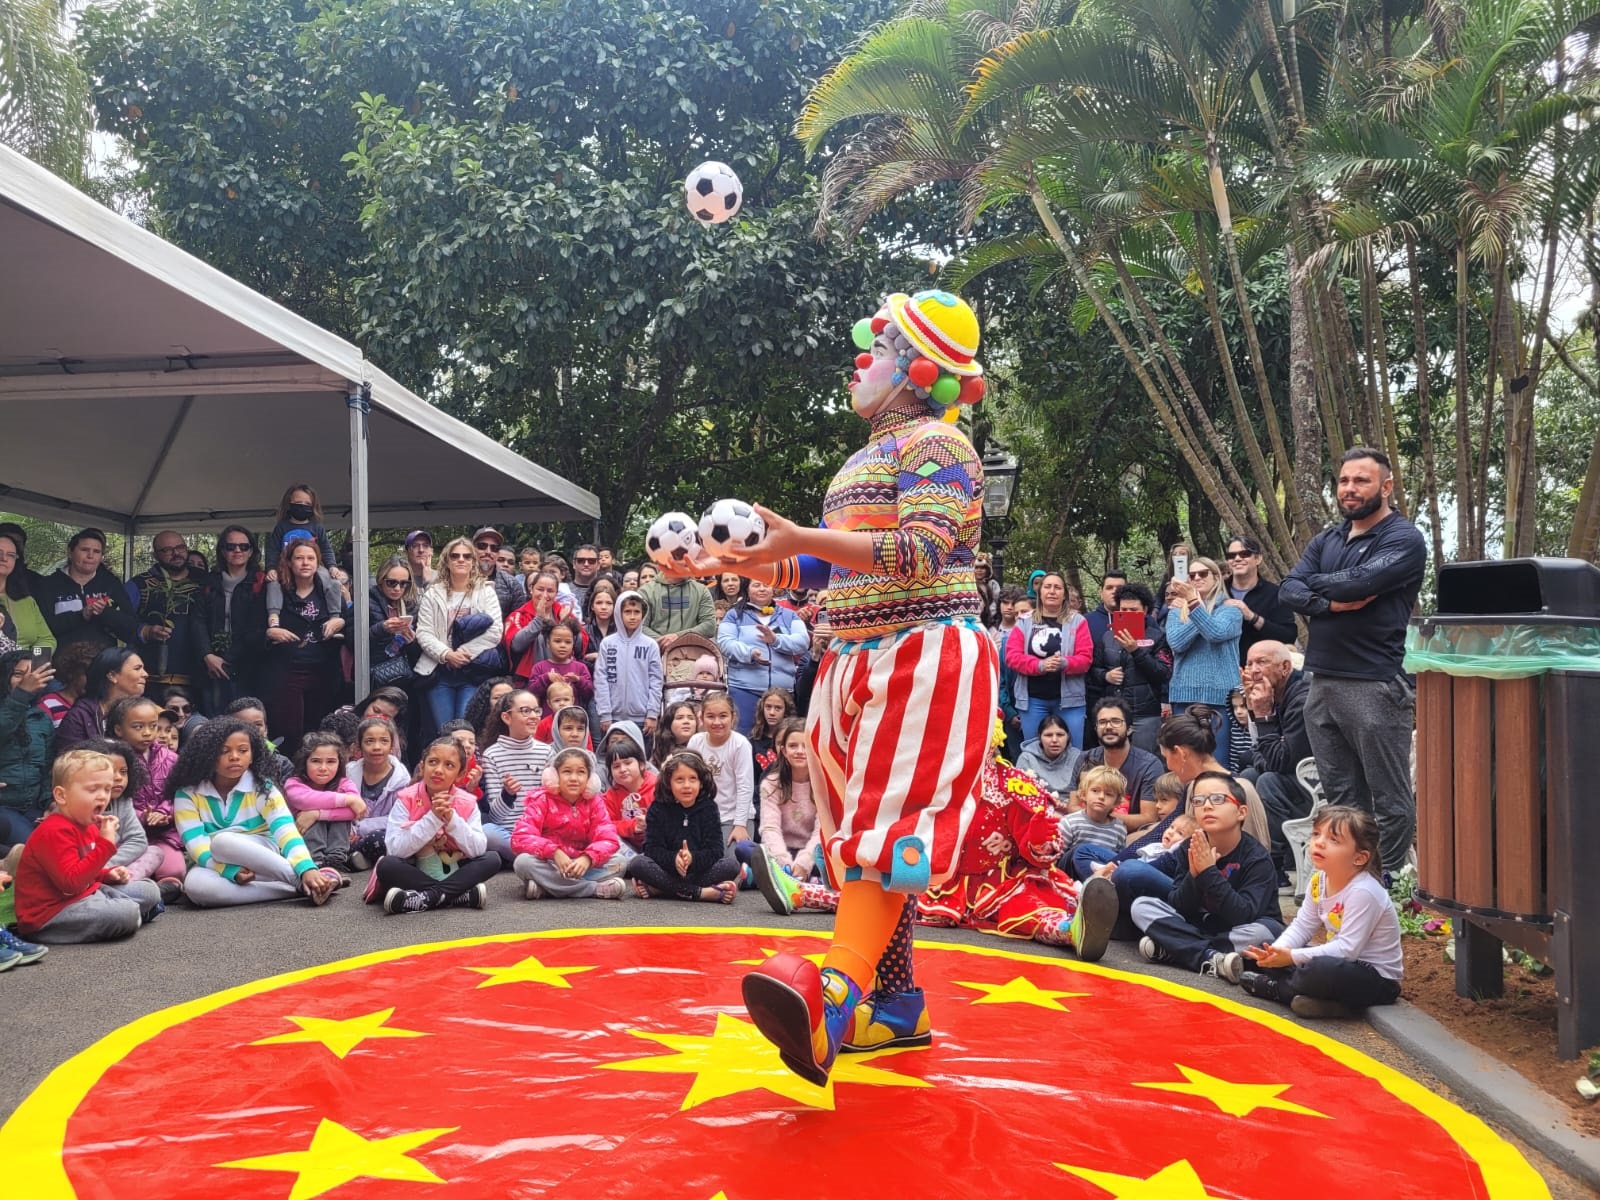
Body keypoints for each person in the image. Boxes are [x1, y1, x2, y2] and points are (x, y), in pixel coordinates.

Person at [683, 289, 996, 1085]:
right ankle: (894, 1006)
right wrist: (729, 565)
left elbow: (921, 551)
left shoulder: (938, 445)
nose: (863, 359)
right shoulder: (864, 459)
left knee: (888, 835)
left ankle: (830, 1000)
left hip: (924, 653)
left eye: (880, 347)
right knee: (863, 835)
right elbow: (820, 566)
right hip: (853, 654)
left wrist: (793, 541)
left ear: (919, 369)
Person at [1280, 447, 1427, 875]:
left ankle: (1390, 889)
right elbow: (1289, 589)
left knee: (1390, 799)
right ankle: (1354, 888)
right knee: (1342, 799)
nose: (1349, 489)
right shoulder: (1328, 539)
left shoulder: (1402, 539)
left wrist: (1317, 587)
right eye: (1344, 480)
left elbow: (1362, 581)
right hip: (1321, 682)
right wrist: (1329, 604)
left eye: (1361, 481)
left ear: (1385, 486)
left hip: (1375, 684)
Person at [916, 733, 1118, 960]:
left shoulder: (1014, 786)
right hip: (942, 877)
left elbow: (1041, 855)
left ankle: (1074, 930)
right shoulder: (937, 778)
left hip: (1004, 880)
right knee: (894, 897)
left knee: (1027, 909)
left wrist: (1039, 838)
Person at [1239, 805, 1404, 1017]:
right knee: (1268, 949)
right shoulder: (1319, 880)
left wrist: (1292, 957)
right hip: (1340, 962)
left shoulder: (1364, 891)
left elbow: (1347, 950)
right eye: (1316, 834)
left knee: (1320, 970)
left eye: (1334, 840)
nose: (1319, 842)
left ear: (1359, 858)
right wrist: (1276, 952)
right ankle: (1327, 1005)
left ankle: (1279, 990)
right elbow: (1302, 925)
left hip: (1375, 979)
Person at [169, 718, 342, 907]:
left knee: (222, 841)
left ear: (252, 755)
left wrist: (306, 867)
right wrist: (228, 870)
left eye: (243, 750)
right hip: (221, 863)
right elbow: (196, 844)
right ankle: (300, 887)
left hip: (267, 861)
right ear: (207, 755)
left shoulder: (262, 788)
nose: (235, 756)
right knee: (195, 887)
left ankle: (302, 878)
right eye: (224, 751)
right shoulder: (187, 793)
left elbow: (286, 832)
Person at [1130, 771, 1285, 978]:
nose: (1207, 806)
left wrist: (1208, 873)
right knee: (1142, 906)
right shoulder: (1190, 846)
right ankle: (1211, 956)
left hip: (1238, 929)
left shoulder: (1257, 858)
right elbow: (1179, 904)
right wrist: (1194, 876)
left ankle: (1178, 949)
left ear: (1241, 812)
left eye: (1218, 799)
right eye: (1199, 800)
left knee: (1266, 933)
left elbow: (1244, 914)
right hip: (1200, 924)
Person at [13, 749, 163, 942]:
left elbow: (86, 871)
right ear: (61, 796)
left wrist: (106, 875)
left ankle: (130, 914)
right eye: (93, 789)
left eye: (107, 789)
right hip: (51, 913)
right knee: (126, 913)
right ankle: (130, 916)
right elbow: (71, 884)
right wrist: (105, 844)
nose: (103, 797)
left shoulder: (89, 825)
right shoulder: (54, 831)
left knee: (149, 891)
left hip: (85, 894)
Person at [368, 735, 498, 913]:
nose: (438, 770)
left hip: (455, 867)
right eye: (433, 762)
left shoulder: (467, 802)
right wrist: (433, 818)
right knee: (388, 865)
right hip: (414, 868)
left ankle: (426, 898)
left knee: (492, 859)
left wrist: (451, 819)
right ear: (422, 767)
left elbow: (477, 850)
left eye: (449, 765)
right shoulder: (406, 799)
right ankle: (458, 895)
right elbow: (395, 849)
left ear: (460, 774)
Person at [1237, 640, 1313, 879]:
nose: (1254, 670)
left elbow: (1281, 761)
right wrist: (1256, 711)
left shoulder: (1301, 697)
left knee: (1269, 780)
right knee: (1248, 777)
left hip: (1321, 787)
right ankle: (1252, 856)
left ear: (1285, 667)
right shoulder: (1273, 695)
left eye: (1262, 662)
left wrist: (1261, 714)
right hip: (1293, 777)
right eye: (1249, 663)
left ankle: (1273, 864)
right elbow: (1260, 751)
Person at [624, 750, 741, 902]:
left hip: (698, 872)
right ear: (668, 782)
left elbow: (715, 851)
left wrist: (692, 859)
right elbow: (651, 849)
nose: (687, 785)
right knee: (638, 864)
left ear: (701, 782)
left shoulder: (709, 808)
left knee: (731, 865)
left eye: (693, 779)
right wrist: (674, 859)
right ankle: (702, 893)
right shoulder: (658, 808)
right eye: (679, 780)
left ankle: (661, 889)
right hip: (667, 870)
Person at [262, 539, 345, 750]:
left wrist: (340, 621)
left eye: (311, 558)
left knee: (319, 730)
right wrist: (270, 631)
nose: (305, 563)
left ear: (318, 562)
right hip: (285, 671)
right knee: (288, 730)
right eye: (299, 558)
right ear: (289, 562)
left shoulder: (329, 592)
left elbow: (350, 623)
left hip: (323, 670)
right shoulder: (275, 590)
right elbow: (252, 628)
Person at [512, 746, 626, 899]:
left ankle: (548, 887)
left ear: (590, 779)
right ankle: (593, 889)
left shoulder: (595, 803)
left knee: (620, 863)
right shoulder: (542, 800)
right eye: (567, 771)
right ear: (554, 776)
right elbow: (520, 837)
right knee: (523, 863)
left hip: (582, 865)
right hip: (552, 864)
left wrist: (588, 858)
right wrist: (555, 852)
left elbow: (608, 839)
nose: (574, 778)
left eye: (581, 772)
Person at [416, 536, 504, 728]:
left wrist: (462, 653)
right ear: (447, 561)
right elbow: (423, 632)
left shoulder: (486, 591)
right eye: (455, 556)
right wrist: (447, 654)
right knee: (444, 730)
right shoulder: (433, 592)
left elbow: (495, 631)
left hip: (472, 670)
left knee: (464, 729)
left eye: (467, 556)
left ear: (474, 562)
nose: (461, 560)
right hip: (439, 671)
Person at [106, 696, 184, 896]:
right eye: (138, 727)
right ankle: (136, 886)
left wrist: (163, 812)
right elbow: (114, 800)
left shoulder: (172, 758)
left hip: (164, 832)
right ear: (118, 730)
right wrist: (142, 816)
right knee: (124, 859)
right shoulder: (114, 760)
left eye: (153, 726)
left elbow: (182, 793)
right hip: (127, 834)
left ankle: (162, 888)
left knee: (174, 870)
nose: (148, 733)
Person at [1164, 556, 1242, 755]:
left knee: (1218, 761)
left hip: (1221, 698)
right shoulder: (1176, 612)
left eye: (1203, 573)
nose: (1197, 578)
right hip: (1184, 697)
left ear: (1216, 577)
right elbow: (1177, 643)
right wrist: (1200, 609)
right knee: (1185, 760)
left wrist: (1195, 606)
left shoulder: (1231, 610)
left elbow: (1215, 633)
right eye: (1192, 575)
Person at [1006, 571, 1093, 748]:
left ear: (1064, 595)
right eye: (1047, 587)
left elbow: (1086, 658)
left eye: (1057, 587)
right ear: (1040, 592)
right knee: (1033, 752)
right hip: (1033, 700)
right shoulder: (1024, 622)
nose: (1052, 591)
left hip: (1070, 702)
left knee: (1073, 751)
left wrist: (1065, 663)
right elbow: (1012, 657)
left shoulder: (1078, 622)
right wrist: (1040, 665)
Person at [1088, 583, 1170, 753]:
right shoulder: (1107, 636)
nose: (1128, 614)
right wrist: (1106, 676)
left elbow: (1163, 672)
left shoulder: (1157, 636)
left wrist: (1136, 651)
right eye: (1124, 610)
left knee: (1145, 762)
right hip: (1113, 711)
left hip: (1145, 713)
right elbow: (1093, 669)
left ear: (1145, 610)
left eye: (1134, 610)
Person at [718, 578, 808, 734]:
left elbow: (803, 642)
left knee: (781, 738)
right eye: (756, 585)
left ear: (773, 589)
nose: (762, 589)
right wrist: (750, 653)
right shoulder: (734, 615)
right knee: (745, 736)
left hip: (782, 691)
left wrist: (775, 640)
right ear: (747, 589)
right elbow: (725, 642)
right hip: (745, 689)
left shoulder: (789, 616)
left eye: (766, 585)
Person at [198, 526, 270, 714]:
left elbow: (257, 626)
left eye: (243, 546)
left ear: (251, 551)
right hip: (211, 664)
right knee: (214, 718)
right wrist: (207, 655)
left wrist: (227, 659)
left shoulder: (262, 582)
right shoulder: (208, 583)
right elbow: (197, 621)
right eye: (231, 547)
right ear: (222, 551)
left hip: (249, 664)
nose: (237, 551)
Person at [37, 529, 141, 656]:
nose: (90, 556)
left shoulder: (110, 583)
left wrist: (106, 613)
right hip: (62, 665)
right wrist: (82, 615)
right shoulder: (48, 584)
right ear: (70, 552)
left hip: (103, 664)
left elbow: (131, 626)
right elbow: (42, 629)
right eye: (84, 550)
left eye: (96, 552)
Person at [1068, 697, 1166, 831]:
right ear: (1096, 728)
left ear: (1130, 729)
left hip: (1129, 836)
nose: (1108, 727)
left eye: (1116, 721)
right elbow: (1072, 806)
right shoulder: (1085, 758)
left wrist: (1101, 815)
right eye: (1102, 722)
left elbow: (1149, 818)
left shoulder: (1149, 765)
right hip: (1085, 831)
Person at [127, 531, 209, 689]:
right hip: (152, 680)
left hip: (201, 679)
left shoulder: (205, 581)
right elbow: (118, 620)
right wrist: (144, 631)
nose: (176, 553)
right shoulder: (140, 585)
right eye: (167, 550)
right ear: (155, 555)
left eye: (180, 547)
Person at [479, 688, 549, 866]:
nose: (533, 716)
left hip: (541, 832)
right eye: (525, 711)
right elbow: (495, 817)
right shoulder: (492, 755)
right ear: (506, 718)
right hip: (510, 835)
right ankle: (542, 861)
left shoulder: (547, 751)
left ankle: (533, 863)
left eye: (536, 710)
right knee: (487, 832)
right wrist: (507, 795)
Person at [282, 731, 365, 871]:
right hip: (303, 843)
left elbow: (355, 811)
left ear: (340, 763)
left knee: (325, 817)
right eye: (316, 761)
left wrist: (317, 814)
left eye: (331, 761)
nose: (323, 768)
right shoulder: (293, 783)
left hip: (338, 843)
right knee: (308, 812)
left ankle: (336, 860)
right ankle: (317, 861)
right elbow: (305, 801)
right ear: (304, 761)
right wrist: (348, 800)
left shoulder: (344, 783)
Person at [0, 649, 55, 844]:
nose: (27, 680)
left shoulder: (42, 718)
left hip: (33, 807)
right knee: (34, 846)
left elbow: (49, 766)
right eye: (18, 675)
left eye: (31, 675)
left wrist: (50, 802)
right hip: (3, 805)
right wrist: (21, 695)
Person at [687, 692, 754, 851]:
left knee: (730, 862)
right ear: (701, 718)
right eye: (710, 716)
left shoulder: (740, 744)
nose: (717, 722)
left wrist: (740, 824)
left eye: (723, 716)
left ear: (733, 717)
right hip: (702, 816)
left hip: (733, 817)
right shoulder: (695, 741)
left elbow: (745, 787)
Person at [594, 590, 663, 737]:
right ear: (619, 613)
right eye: (627, 612)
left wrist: (652, 714)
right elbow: (601, 680)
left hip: (642, 718)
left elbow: (656, 681)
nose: (632, 617)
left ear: (643, 614)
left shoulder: (650, 645)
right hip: (613, 717)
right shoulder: (608, 644)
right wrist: (605, 713)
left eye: (636, 612)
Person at [1222, 536, 1297, 665]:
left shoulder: (1275, 593)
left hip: (1260, 673)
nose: (1237, 559)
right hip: (1221, 673)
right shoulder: (1218, 592)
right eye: (1231, 556)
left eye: (1245, 554)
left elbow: (1288, 636)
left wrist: (1252, 617)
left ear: (1258, 559)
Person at [57, 647, 147, 753]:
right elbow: (69, 760)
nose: (145, 674)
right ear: (112, 676)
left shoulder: (149, 711)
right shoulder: (80, 716)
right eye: (137, 669)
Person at [347, 717, 410, 868]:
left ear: (391, 746)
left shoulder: (401, 779)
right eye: (369, 741)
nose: (377, 747)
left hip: (382, 832)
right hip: (349, 830)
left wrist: (362, 828)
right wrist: (349, 830)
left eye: (383, 741)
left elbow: (399, 818)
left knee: (380, 839)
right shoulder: (348, 772)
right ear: (359, 746)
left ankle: (354, 857)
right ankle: (354, 856)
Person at [1060, 764, 1130, 880]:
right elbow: (1057, 858)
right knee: (1079, 850)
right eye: (1095, 791)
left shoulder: (1119, 828)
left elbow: (1116, 859)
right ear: (1083, 794)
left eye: (1108, 794)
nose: (1101, 797)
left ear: (1117, 802)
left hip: (1104, 874)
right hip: (1070, 876)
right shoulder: (1070, 822)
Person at [504, 569, 572, 683]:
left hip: (563, 680)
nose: (545, 595)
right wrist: (538, 619)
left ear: (556, 593)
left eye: (550, 591)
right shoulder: (519, 615)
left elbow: (580, 645)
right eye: (540, 589)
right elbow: (516, 645)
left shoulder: (563, 612)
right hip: (529, 680)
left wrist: (567, 624)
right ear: (531, 589)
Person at [600, 727, 656, 858]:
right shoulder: (610, 796)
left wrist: (651, 823)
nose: (622, 769)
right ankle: (634, 865)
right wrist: (632, 826)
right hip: (628, 848)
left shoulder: (658, 787)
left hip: (658, 843)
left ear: (641, 764)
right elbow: (606, 825)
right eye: (616, 766)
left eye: (627, 763)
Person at [265, 484, 339, 577]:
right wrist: (271, 568)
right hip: (285, 571)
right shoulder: (281, 527)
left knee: (330, 582)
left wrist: (332, 566)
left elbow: (326, 549)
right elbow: (273, 550)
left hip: (313, 572)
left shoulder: (317, 527)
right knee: (273, 585)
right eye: (298, 502)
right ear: (289, 504)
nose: (302, 506)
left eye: (307, 504)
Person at [369, 555, 420, 687]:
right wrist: (382, 628)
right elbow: (353, 642)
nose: (397, 588)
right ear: (381, 580)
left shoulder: (411, 606)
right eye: (392, 582)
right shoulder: (366, 601)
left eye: (404, 583)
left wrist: (411, 642)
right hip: (372, 674)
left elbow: (417, 653)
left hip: (403, 675)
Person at [0, 532, 54, 651]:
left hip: (26, 666)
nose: (4, 558)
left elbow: (46, 639)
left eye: (10, 555)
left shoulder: (26, 601)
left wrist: (32, 660)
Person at [527, 618, 593, 710]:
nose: (563, 645)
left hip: (574, 720)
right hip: (547, 720)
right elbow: (532, 692)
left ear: (573, 644)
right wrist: (546, 678)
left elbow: (589, 693)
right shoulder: (539, 667)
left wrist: (578, 680)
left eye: (568, 642)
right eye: (557, 641)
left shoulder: (580, 667)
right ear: (548, 643)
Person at [639, 569, 716, 649]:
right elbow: (640, 626)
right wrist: (664, 643)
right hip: (654, 652)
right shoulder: (646, 591)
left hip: (691, 655)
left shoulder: (701, 590)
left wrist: (677, 637)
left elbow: (709, 626)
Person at [1014, 713, 1079, 802]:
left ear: (1068, 736)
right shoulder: (1026, 759)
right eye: (1048, 735)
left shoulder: (1078, 757)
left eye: (1060, 735)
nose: (1054, 740)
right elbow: (1021, 795)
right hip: (1037, 808)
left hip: (1071, 808)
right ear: (1039, 737)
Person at [37, 640, 96, 730]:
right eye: (87, 675)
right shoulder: (47, 704)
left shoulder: (97, 704)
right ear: (71, 674)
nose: (92, 680)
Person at [471, 527, 528, 617]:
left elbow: (518, 620)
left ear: (497, 553)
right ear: (472, 549)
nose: (488, 552)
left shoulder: (511, 583)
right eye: (482, 546)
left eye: (494, 548)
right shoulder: (459, 578)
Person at [747, 687, 796, 777]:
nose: (772, 713)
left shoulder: (793, 738)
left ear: (786, 710)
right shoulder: (753, 739)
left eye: (778, 708)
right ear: (762, 708)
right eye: (768, 707)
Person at [582, 579, 618, 673]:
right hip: (590, 679)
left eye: (609, 603)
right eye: (599, 603)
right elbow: (577, 660)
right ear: (592, 606)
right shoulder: (583, 631)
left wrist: (600, 656)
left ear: (615, 606)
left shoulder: (622, 632)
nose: (604, 607)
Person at [654, 701, 698, 766]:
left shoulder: (702, 746)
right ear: (668, 723)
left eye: (691, 718)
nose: (686, 721)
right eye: (679, 718)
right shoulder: (657, 747)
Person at [567, 545, 604, 611]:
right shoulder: (563, 591)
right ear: (574, 564)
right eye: (581, 560)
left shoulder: (606, 591)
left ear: (598, 565)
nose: (586, 564)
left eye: (591, 561)